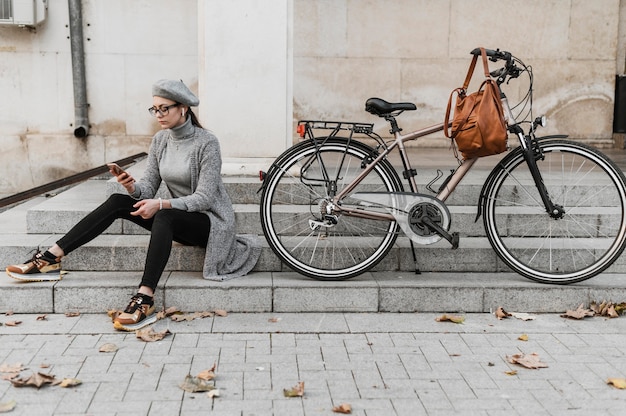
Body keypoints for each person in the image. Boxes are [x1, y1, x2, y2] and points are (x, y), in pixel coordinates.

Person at [5, 79, 261, 331]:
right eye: (154, 109)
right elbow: (148, 187)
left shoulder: (207, 143)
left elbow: (203, 198)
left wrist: (160, 203)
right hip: (178, 217)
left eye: (164, 108)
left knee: (163, 215)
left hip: (210, 223)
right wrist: (131, 187)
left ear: (183, 107)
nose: (158, 114)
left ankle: (144, 298)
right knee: (118, 201)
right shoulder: (160, 140)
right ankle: (50, 258)